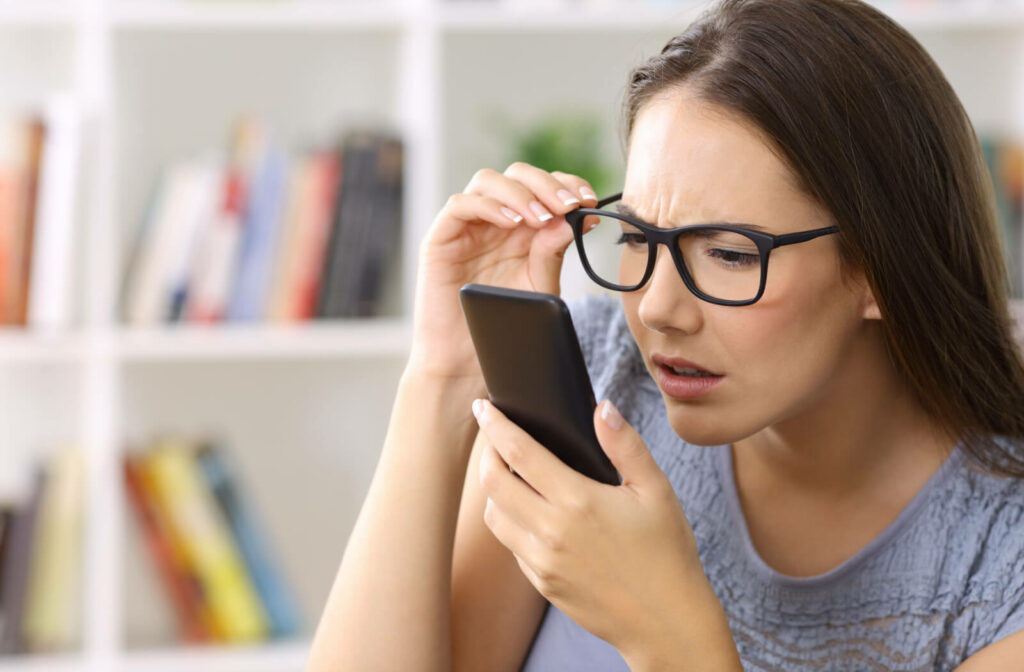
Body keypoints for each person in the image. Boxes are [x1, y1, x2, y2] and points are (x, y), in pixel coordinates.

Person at [306, 0, 1024, 669]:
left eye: (730, 253)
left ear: (878, 268)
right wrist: (440, 377)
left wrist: (668, 629)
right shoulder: (592, 379)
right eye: (640, 238)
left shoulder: (999, 558)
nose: (656, 308)